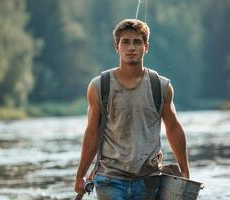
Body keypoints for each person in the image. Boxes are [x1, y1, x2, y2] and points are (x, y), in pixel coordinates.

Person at [74, 18, 190, 199]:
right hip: (109, 178)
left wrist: (185, 171)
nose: (131, 48)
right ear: (117, 47)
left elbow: (174, 128)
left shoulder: (161, 86)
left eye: (137, 42)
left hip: (148, 179)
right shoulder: (99, 86)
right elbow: (91, 133)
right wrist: (80, 174)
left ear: (146, 47)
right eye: (125, 42)